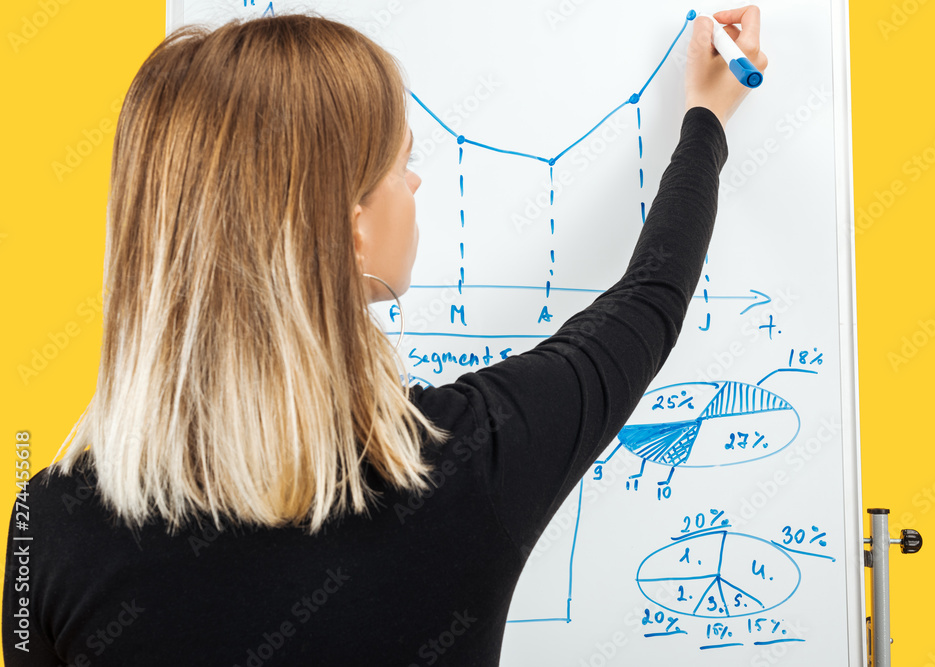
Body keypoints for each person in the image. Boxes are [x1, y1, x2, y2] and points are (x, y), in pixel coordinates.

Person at [2, 6, 765, 666]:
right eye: (403, 162)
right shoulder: (474, 463)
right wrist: (706, 120)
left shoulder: (50, 527)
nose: (419, 183)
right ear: (352, 227)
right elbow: (648, 302)